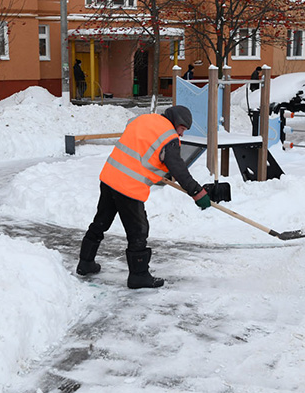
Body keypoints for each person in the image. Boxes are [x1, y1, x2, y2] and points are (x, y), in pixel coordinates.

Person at [76, 105, 211, 288]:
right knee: (138, 231)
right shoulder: (169, 137)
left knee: (101, 221)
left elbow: (139, 145)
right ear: (177, 122)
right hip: (129, 188)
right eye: (182, 129)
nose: (181, 134)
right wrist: (197, 192)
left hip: (110, 177)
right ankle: (138, 276)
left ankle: (85, 262)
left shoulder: (144, 119)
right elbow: (178, 168)